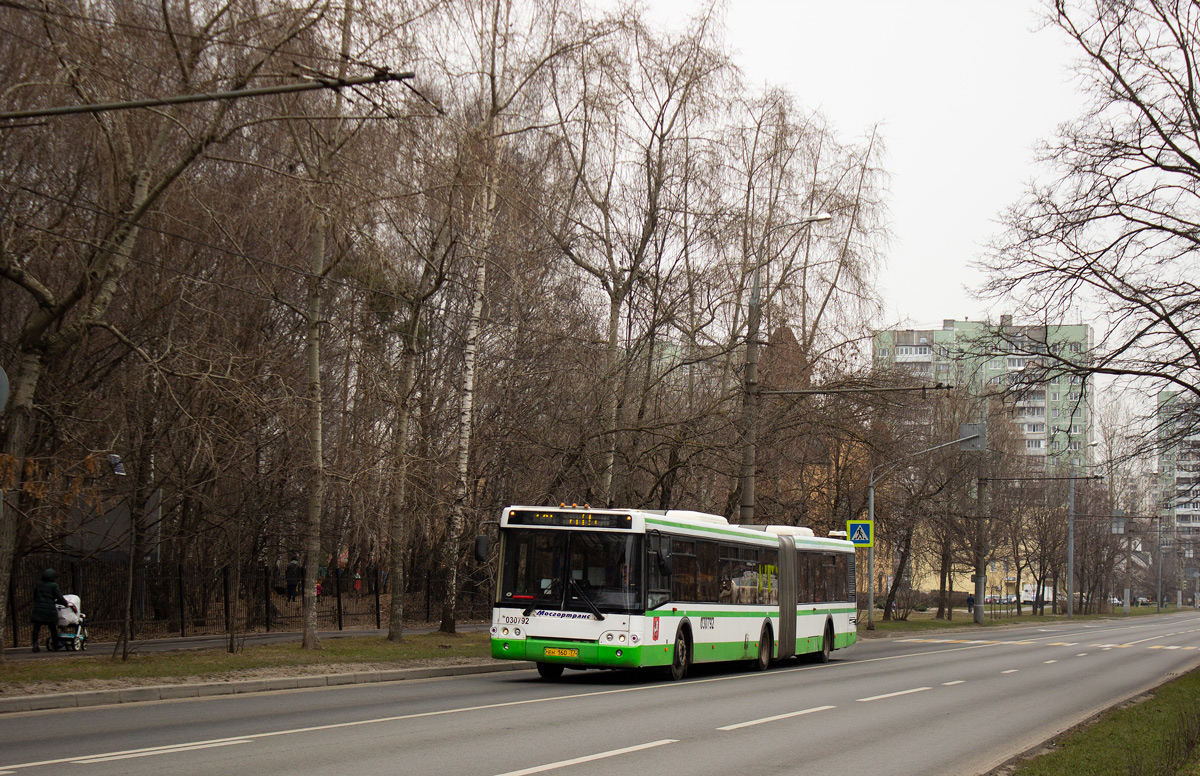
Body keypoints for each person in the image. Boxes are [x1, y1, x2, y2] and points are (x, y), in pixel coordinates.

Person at [30, 568, 72, 652]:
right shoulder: (54, 585)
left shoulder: (39, 584)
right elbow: (59, 597)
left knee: (36, 627)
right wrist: (66, 604)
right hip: (49, 609)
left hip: (38, 609)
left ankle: (35, 645)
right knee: (53, 627)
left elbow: (35, 596)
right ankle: (56, 643)